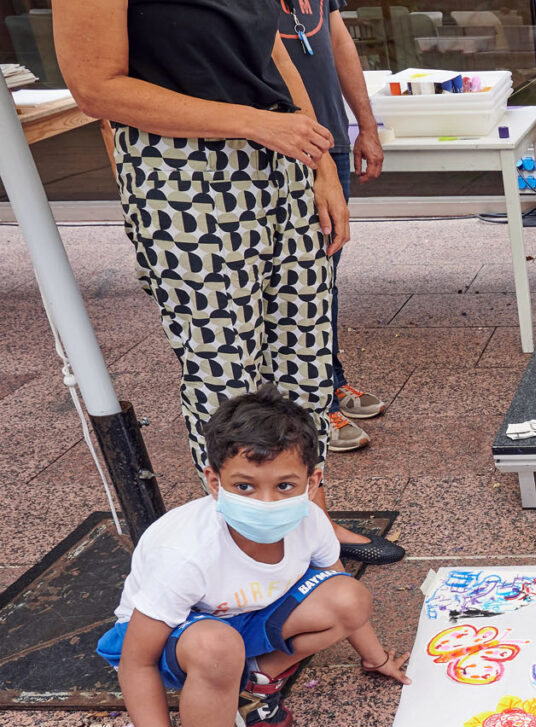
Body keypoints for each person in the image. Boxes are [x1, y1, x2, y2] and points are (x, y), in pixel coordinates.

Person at [55, 0, 377, 555]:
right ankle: (246, 545)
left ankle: (311, 523)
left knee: (305, 352)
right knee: (224, 367)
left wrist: (321, 162)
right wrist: (254, 122)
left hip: (281, 156)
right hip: (181, 171)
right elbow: (96, 88)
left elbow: (274, 50)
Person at [96, 387, 409, 727]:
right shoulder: (185, 553)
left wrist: (375, 658)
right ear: (213, 481)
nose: (266, 502)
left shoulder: (312, 522)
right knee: (218, 647)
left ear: (313, 482)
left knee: (350, 597)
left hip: (247, 618)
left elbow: (337, 589)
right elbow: (136, 662)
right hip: (177, 641)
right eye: (245, 486)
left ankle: (254, 682)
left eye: (284, 486)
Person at [273, 0, 405, 564]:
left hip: (322, 141)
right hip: (269, 156)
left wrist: (363, 126)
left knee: (319, 281)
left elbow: (335, 38)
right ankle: (307, 405)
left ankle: (327, 383)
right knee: (289, 300)